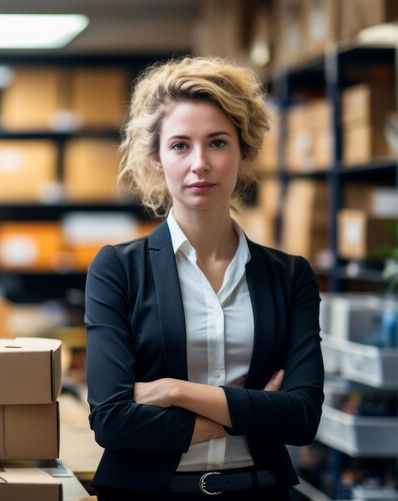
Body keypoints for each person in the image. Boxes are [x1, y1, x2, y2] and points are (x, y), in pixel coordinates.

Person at [85, 56, 324, 500]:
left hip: (261, 491)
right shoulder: (118, 269)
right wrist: (251, 414)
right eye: (180, 145)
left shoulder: (289, 276)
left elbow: (301, 418)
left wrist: (176, 391)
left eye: (217, 143)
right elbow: (113, 420)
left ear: (243, 152)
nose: (200, 163)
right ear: (156, 157)